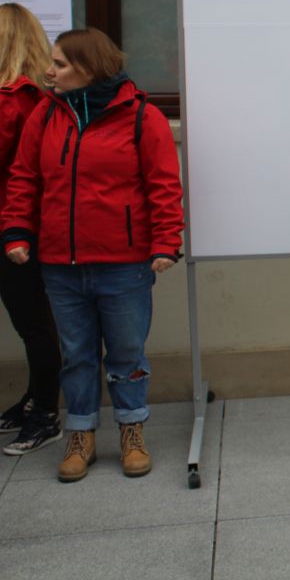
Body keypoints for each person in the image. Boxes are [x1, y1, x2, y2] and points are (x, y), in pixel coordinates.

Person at [3, 27, 183, 482]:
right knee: (77, 356)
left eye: (59, 64)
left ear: (88, 68)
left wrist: (166, 241)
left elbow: (163, 185)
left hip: (124, 265)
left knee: (126, 353)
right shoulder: (45, 115)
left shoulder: (142, 117)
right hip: (60, 265)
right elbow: (24, 177)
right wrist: (17, 230)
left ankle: (131, 430)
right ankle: (80, 435)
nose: (49, 72)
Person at [0, 3, 62, 456]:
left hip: (13, 227)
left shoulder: (13, 99)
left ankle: (44, 411)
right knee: (34, 322)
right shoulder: (37, 96)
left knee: (33, 324)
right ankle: (34, 402)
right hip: (27, 224)